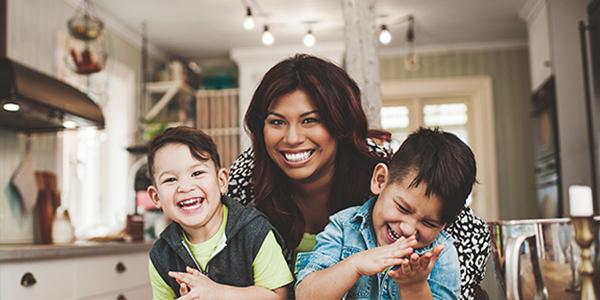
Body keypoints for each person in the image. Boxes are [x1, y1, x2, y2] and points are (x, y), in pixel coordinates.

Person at [227, 54, 490, 299]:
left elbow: (474, 234)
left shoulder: (379, 164)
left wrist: (417, 282)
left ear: (339, 123)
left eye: (310, 121)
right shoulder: (249, 174)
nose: (292, 138)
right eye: (276, 122)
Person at [295, 127, 475, 299]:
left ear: (444, 224)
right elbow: (305, 295)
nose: (408, 228)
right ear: (380, 180)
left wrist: (414, 287)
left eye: (428, 223)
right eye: (402, 208)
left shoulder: (440, 253)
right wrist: (354, 265)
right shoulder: (343, 227)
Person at [145, 126, 293, 299]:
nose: (185, 187)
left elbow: (278, 296)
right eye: (170, 179)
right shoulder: (161, 255)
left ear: (222, 181)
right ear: (156, 197)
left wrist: (219, 293)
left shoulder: (254, 231)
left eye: (197, 173)